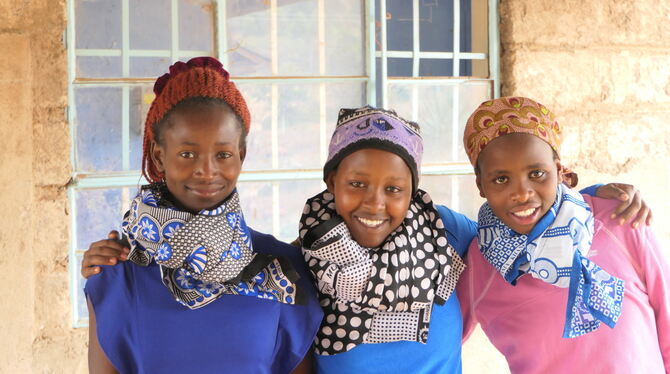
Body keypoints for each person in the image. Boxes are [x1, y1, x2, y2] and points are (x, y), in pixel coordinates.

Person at [83, 103, 652, 374]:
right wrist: (124, 253)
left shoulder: (454, 238)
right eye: (357, 184)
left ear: (415, 190)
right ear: (331, 183)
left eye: (395, 188)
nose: (376, 203)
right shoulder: (299, 261)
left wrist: (597, 195)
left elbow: (523, 224)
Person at [84, 57, 322, 374]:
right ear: (159, 155)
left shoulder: (282, 269)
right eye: (187, 153)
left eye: (222, 154)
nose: (206, 170)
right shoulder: (117, 274)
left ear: (241, 156)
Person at [458, 96, 669, 373]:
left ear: (558, 171)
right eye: (501, 179)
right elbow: (437, 342)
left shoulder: (617, 220)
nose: (522, 193)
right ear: (481, 185)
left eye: (537, 173)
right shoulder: (479, 264)